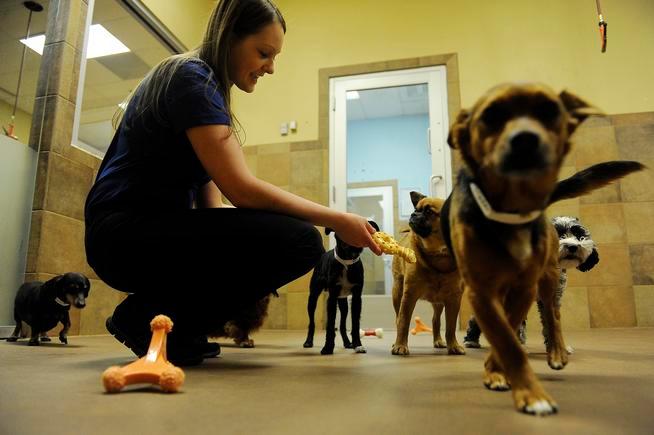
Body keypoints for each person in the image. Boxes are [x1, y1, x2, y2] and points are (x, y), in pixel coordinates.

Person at [84, 0, 381, 366]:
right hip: (122, 237)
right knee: (302, 241)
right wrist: (338, 219)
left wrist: (259, 238)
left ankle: (177, 328)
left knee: (277, 236)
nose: (271, 67)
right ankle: (143, 317)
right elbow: (241, 190)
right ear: (229, 37)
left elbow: (213, 209)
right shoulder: (192, 78)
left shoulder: (204, 88)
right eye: (264, 53)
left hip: (138, 234)